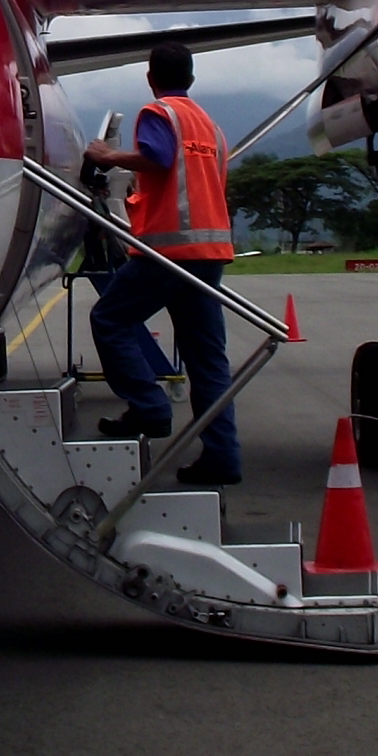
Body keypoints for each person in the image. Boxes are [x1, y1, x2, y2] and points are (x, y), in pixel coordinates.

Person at [83, 44, 241, 488]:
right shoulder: (211, 127)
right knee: (208, 360)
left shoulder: (158, 112)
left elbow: (157, 157)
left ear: (151, 77)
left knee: (109, 318)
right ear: (190, 76)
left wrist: (107, 156)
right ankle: (222, 457)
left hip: (166, 252)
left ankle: (148, 408)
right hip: (210, 255)